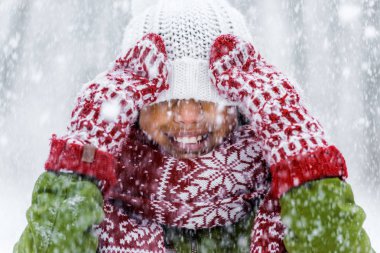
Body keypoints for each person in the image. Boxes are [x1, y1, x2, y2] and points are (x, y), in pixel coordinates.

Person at [14, 0, 375, 252]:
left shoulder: (282, 198)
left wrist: (299, 153)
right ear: (134, 107)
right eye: (166, 99)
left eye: (207, 97)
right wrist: (84, 153)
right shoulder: (96, 203)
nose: (187, 117)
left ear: (240, 103)